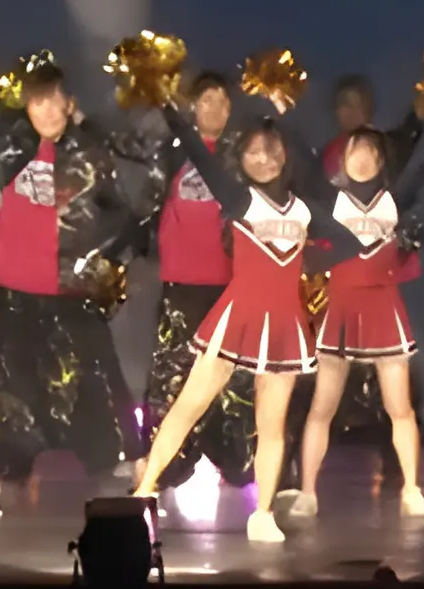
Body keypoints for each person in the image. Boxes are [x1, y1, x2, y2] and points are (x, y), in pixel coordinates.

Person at [0, 41, 148, 517]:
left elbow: (124, 215)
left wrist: (97, 258)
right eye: (37, 101)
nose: (46, 110)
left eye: (53, 100)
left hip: (70, 293)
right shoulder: (11, 143)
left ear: (68, 103)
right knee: (1, 391)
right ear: (27, 106)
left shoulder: (90, 154)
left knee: (103, 383)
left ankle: (142, 478)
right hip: (16, 294)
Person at [130, 122, 327, 540]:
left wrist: (308, 265)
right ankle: (145, 489)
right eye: (253, 152)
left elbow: (346, 242)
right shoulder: (239, 199)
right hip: (238, 314)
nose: (263, 159)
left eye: (271, 151)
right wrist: (169, 107)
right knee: (189, 404)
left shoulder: (305, 210)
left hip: (283, 322)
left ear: (284, 157)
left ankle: (264, 513)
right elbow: (199, 155)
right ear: (241, 159)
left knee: (272, 425)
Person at [291, 109, 424, 520]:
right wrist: (285, 112)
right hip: (341, 307)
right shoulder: (330, 201)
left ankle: (412, 489)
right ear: (342, 158)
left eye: (370, 151)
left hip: (384, 307)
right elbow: (302, 159)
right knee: (322, 408)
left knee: (400, 407)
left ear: (381, 160)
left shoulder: (394, 200)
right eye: (355, 150)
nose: (361, 157)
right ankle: (307, 492)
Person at [136, 72, 262, 490]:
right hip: (181, 282)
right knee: (173, 378)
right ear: (193, 106)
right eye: (207, 100)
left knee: (234, 380)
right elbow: (146, 195)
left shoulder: (240, 156)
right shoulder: (172, 151)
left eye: (223, 102)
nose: (215, 109)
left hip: (229, 285)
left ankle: (239, 459)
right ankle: (166, 464)